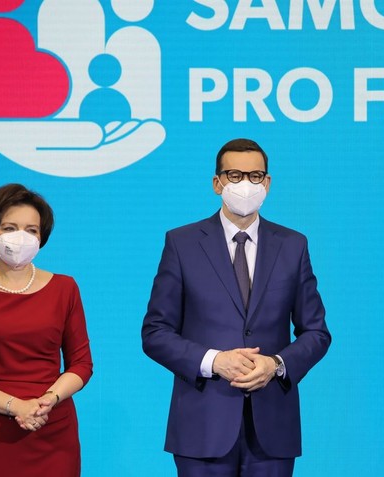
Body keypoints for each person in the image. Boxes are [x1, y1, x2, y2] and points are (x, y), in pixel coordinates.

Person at [142, 138, 331, 476]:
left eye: (255, 176)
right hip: (202, 427)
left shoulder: (293, 245)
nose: (246, 184)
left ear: (267, 183)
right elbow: (155, 333)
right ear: (217, 183)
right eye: (235, 175)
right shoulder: (182, 243)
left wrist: (276, 365)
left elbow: (316, 332)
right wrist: (214, 361)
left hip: (272, 429)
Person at [0, 184, 93, 477]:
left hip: (53, 428)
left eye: (31, 230)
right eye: (10, 228)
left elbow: (81, 364)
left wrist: (49, 399)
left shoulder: (65, 288)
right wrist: (16, 407)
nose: (21, 237)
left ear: (41, 238)